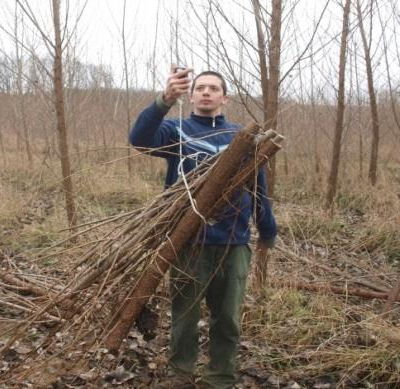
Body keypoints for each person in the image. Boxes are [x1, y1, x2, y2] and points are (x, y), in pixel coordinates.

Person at [128, 66, 277, 389]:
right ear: (191, 95)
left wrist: (267, 230)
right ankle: (180, 374)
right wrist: (165, 99)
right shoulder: (176, 132)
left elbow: (258, 189)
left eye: (213, 88)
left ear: (225, 97)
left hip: (233, 242)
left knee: (227, 319)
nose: (206, 92)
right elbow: (139, 139)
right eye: (201, 88)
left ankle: (219, 378)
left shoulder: (243, 137)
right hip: (187, 241)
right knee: (184, 316)